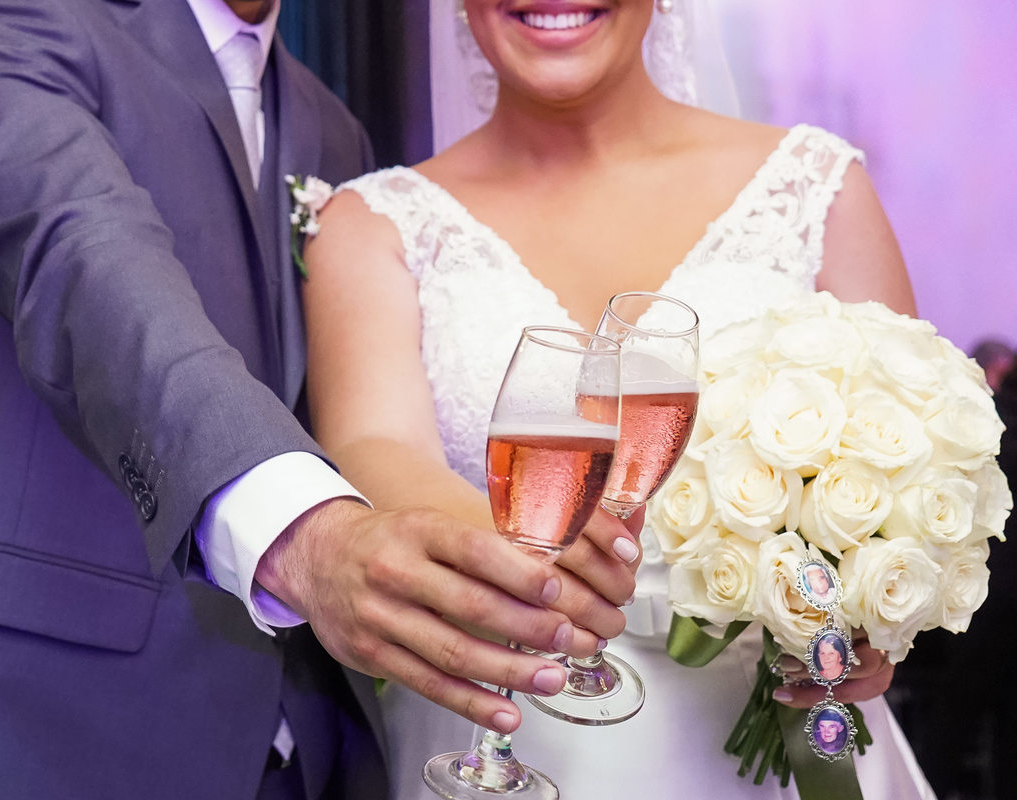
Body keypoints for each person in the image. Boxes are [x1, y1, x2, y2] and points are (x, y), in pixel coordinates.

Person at [0, 1, 634, 798]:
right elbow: (87, 267)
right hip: (25, 729)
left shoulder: (329, 128)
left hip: (310, 751)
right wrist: (308, 540)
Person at [301, 0, 936, 797]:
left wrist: (871, 613)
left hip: (783, 734)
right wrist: (530, 561)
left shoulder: (818, 186)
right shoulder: (373, 224)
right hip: (511, 733)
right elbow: (375, 447)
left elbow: (905, 449)